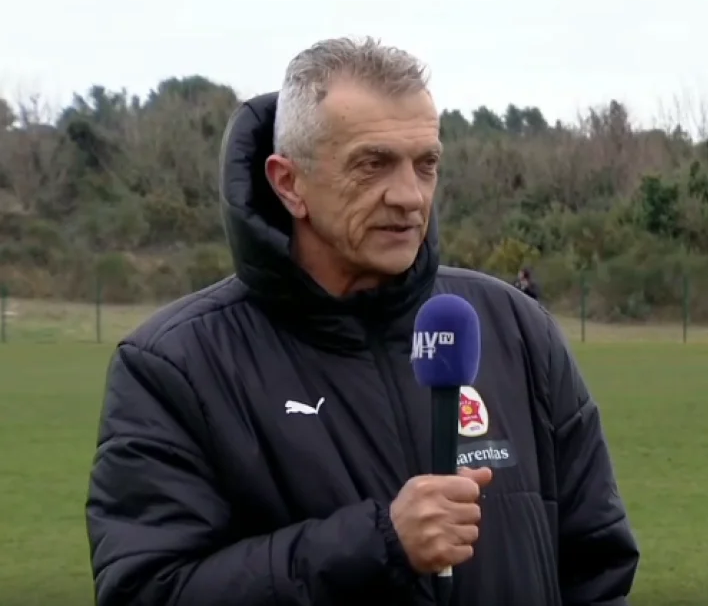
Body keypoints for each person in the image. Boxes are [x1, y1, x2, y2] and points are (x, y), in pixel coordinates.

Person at [85, 38, 638, 606]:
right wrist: (377, 544)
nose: (409, 196)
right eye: (373, 164)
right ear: (288, 183)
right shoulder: (175, 367)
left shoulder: (516, 329)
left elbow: (598, 565)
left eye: (426, 164)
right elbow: (147, 591)